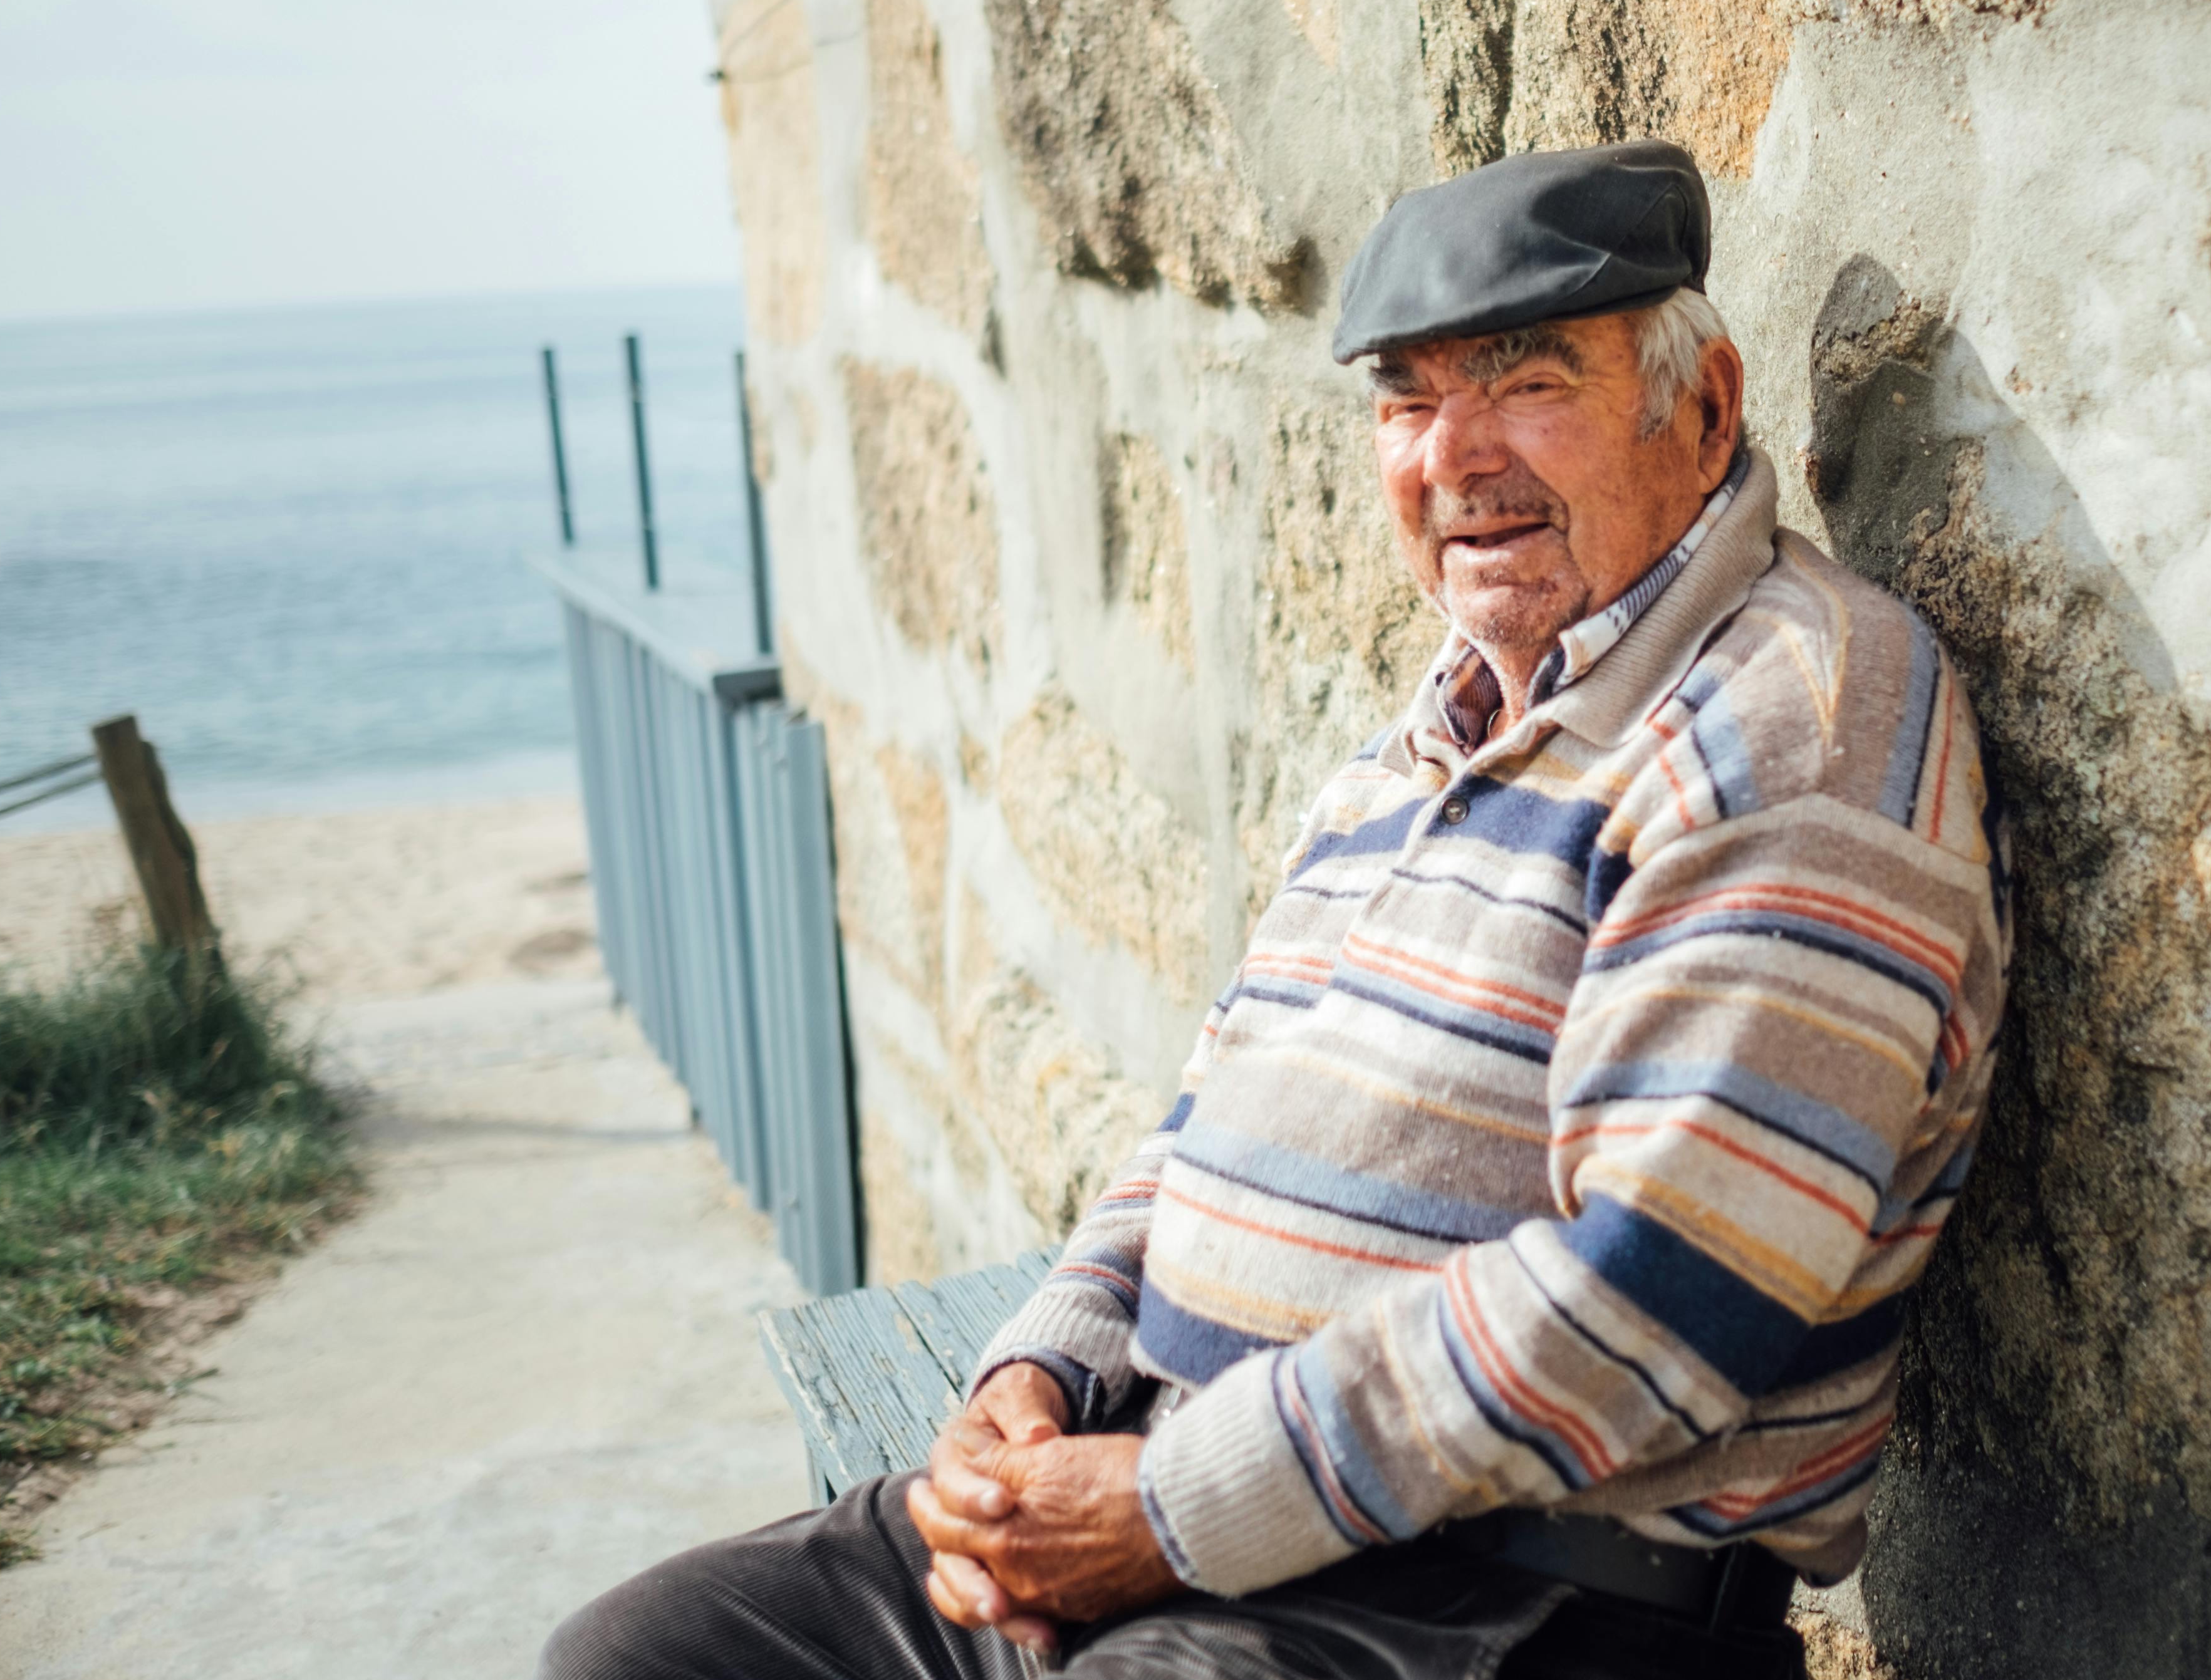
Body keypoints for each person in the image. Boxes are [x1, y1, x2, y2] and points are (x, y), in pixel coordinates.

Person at [543, 139, 2011, 1680]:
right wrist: (1038, 1378)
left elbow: (1663, 1302)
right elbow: (1199, 1119)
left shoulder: (1795, 714)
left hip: (1504, 1600)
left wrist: (1171, 1514)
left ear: (1698, 406)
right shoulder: (1435, 728)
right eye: (1404, 401)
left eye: (1525, 382)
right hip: (1173, 1500)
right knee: (637, 1656)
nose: (1452, 456)